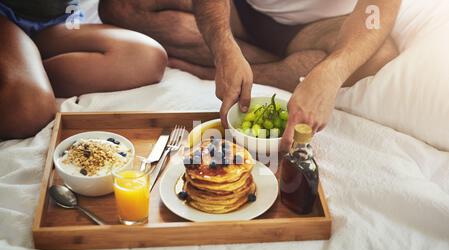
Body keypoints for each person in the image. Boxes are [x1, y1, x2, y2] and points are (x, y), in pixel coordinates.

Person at [99, 0, 401, 151]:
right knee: (120, 5)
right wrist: (223, 48)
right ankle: (276, 65)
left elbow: (379, 8)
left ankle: (223, 66)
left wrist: (330, 73)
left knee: (380, 54)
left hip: (319, 28)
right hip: (241, 11)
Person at [0, 0, 168, 140]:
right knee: (31, 112)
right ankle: (24, 80)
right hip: (5, 18)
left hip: (55, 23)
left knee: (146, 57)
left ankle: (26, 75)